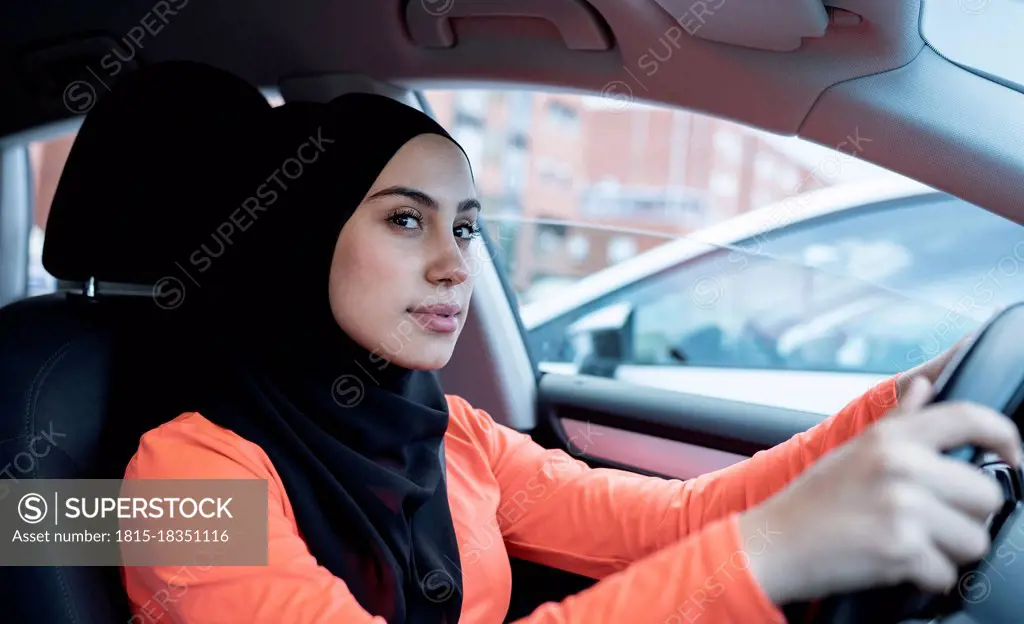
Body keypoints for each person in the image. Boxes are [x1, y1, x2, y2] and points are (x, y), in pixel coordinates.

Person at [92, 62, 1021, 623]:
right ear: (300, 242)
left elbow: (674, 523)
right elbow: (728, 547)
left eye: (464, 228)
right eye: (405, 222)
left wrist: (905, 401)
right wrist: (773, 553)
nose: (457, 267)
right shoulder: (180, 482)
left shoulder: (453, 436)